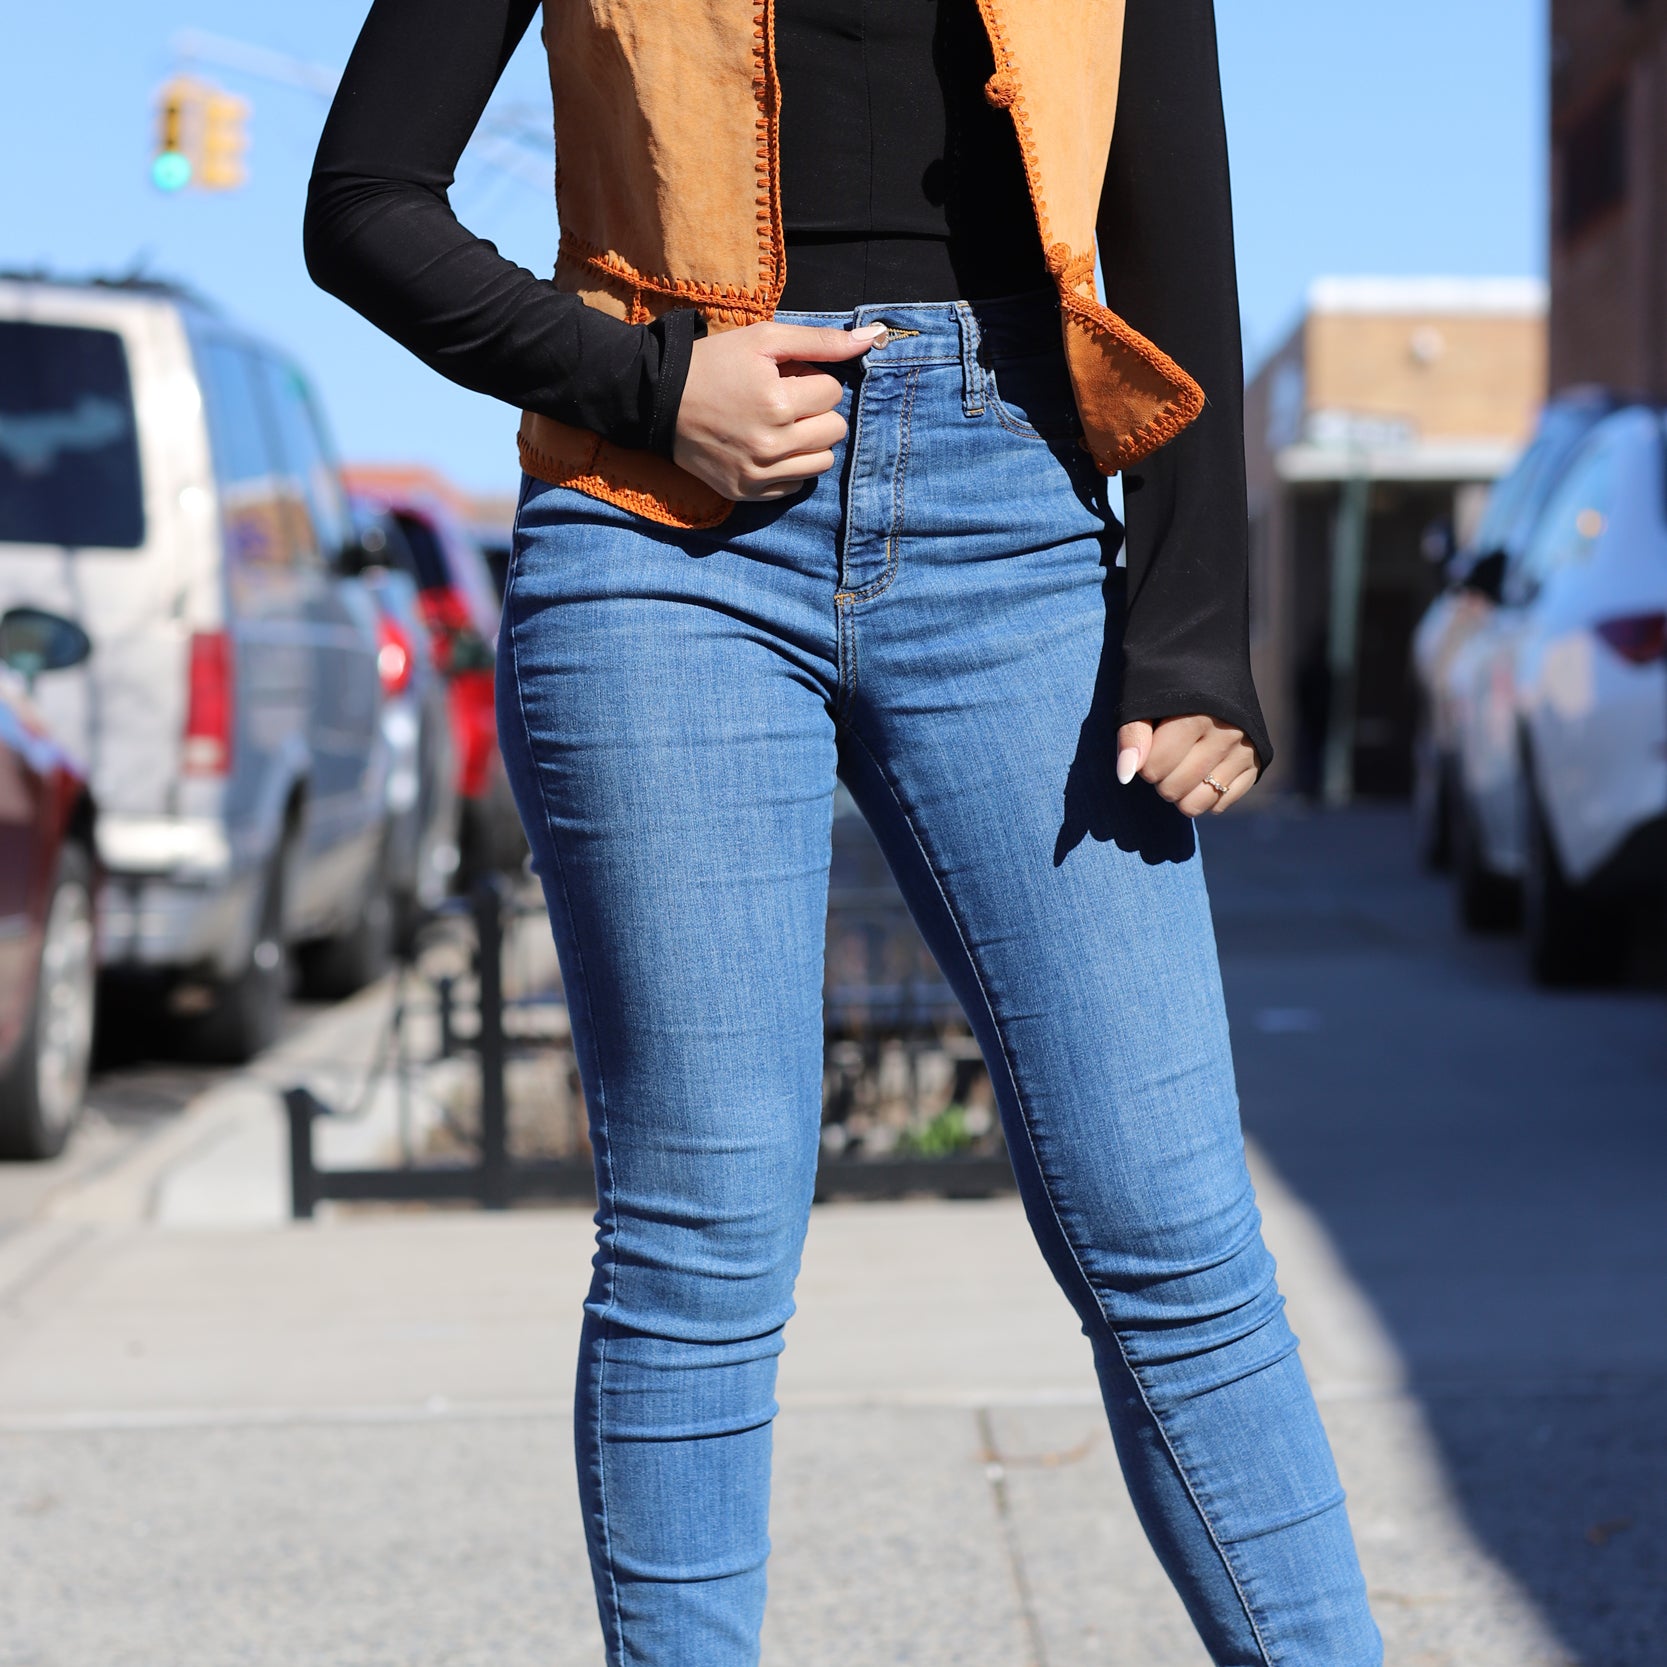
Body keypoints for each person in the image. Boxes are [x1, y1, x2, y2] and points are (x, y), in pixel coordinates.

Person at [306, 2, 1383, 1662]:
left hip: (1017, 508)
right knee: (704, 1233)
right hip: (659, 534)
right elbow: (367, 201)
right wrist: (655, 383)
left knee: (1172, 1227)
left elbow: (1175, 197)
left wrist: (1191, 625)